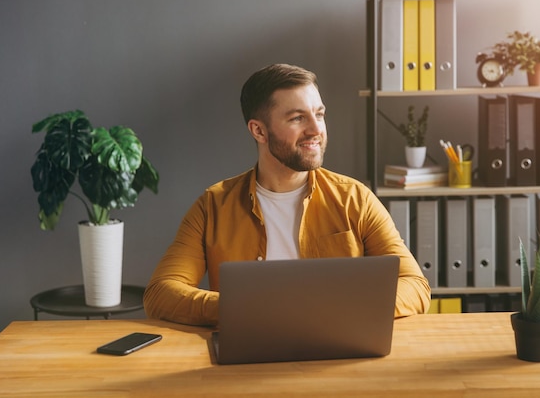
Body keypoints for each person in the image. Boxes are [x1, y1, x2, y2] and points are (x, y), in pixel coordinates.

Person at [143, 63, 431, 326]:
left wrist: (338, 308)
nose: (316, 129)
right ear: (258, 131)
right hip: (247, 363)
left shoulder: (355, 199)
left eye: (319, 114)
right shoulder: (213, 205)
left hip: (337, 356)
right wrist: (244, 308)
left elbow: (415, 286)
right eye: (297, 118)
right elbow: (161, 293)